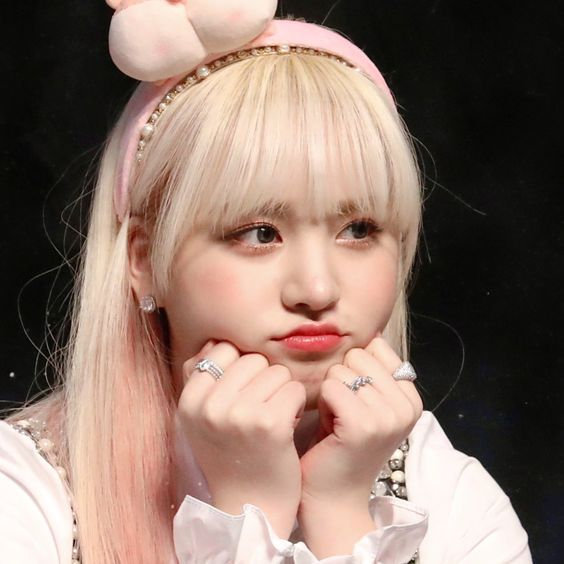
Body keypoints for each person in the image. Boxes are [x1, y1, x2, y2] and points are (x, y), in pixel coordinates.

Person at [0, 1, 532, 562]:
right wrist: (249, 511)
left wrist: (341, 516)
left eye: (358, 229)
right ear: (143, 259)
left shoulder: (450, 495)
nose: (317, 290)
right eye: (259, 234)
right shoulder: (23, 493)